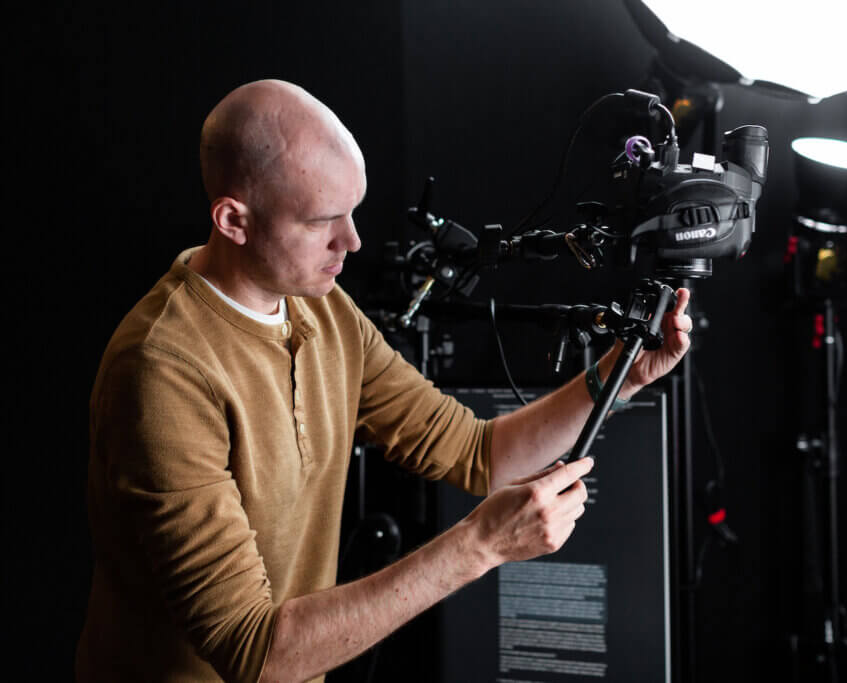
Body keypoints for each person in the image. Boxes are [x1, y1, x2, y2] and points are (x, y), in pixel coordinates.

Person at [75, 79, 692, 683]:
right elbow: (258, 654)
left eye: (353, 212)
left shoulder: (323, 306)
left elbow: (478, 453)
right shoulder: (163, 371)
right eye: (323, 221)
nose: (352, 241)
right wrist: (479, 544)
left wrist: (621, 375)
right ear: (234, 220)